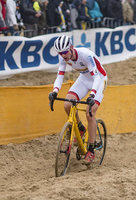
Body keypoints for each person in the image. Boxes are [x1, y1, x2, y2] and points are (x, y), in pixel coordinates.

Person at [48, 35, 107, 163]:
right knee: (67, 105)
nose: (63, 56)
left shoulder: (85, 55)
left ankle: (91, 150)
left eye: (65, 52)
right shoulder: (63, 57)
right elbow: (60, 75)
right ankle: (80, 128)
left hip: (99, 80)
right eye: (60, 53)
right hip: (84, 80)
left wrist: (92, 95)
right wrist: (55, 91)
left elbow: (97, 77)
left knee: (89, 113)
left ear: (71, 48)